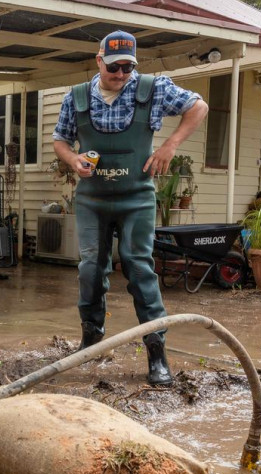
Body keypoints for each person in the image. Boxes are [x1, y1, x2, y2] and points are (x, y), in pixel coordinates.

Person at [53, 30, 208, 385]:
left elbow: (198, 106)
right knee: (91, 267)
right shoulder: (76, 97)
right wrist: (73, 159)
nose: (121, 75)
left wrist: (170, 144)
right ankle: (92, 336)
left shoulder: (152, 89)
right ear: (99, 61)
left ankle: (157, 351)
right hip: (92, 199)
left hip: (136, 198)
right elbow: (60, 140)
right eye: (114, 68)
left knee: (139, 268)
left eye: (127, 67)